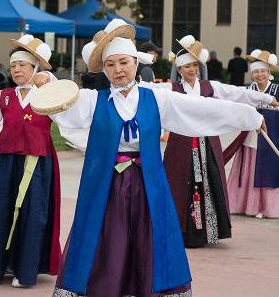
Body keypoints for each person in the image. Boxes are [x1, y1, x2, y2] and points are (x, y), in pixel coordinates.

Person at [49, 19, 267, 297]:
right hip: (107, 185)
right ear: (104, 68)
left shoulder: (155, 98)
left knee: (148, 237)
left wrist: (250, 115)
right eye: (111, 64)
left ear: (135, 64)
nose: (118, 69)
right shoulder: (94, 100)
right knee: (108, 238)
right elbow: (62, 103)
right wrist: (46, 81)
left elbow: (202, 109)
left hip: (147, 182)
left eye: (124, 62)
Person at [157, 35, 279, 248]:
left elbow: (238, 94)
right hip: (181, 146)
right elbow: (148, 91)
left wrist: (266, 99)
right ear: (179, 69)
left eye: (194, 65)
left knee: (208, 183)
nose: (191, 70)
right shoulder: (171, 89)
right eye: (186, 66)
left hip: (207, 143)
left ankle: (207, 232)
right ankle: (182, 233)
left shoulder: (209, 87)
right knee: (179, 185)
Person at [0, 35, 61, 288]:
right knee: (0, 212)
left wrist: (51, 81)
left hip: (37, 163)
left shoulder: (48, 95)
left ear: (35, 67)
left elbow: (72, 106)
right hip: (6, 164)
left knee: (33, 215)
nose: (16, 69)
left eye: (22, 65)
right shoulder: (3, 97)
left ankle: (26, 271)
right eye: (13, 65)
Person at [226, 49, 279, 218]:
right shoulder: (248, 91)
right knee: (250, 170)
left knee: (269, 171)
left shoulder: (277, 90)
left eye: (263, 71)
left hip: (272, 139)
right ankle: (247, 205)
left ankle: (269, 208)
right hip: (251, 139)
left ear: (269, 72)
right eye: (255, 71)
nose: (259, 75)